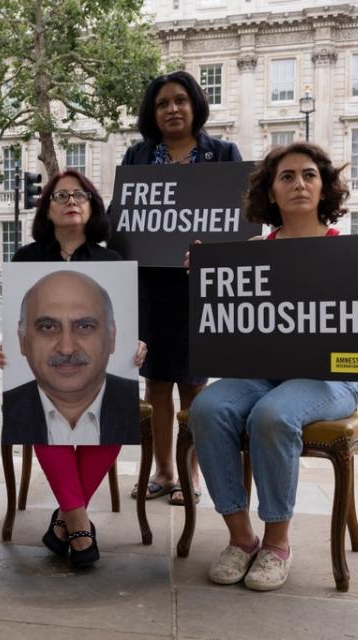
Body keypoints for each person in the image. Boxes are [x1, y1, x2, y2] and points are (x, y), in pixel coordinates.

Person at [187, 142, 358, 591]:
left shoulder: (352, 249)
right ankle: (241, 539)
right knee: (207, 408)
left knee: (273, 415)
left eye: (309, 175)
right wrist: (203, 273)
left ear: (324, 188)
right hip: (260, 371)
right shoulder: (252, 251)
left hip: (329, 376)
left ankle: (277, 542)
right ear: (271, 192)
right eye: (287, 176)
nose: (299, 183)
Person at [0, 169, 146, 569]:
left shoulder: (112, 260)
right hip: (43, 376)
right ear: (47, 209)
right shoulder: (26, 258)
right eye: (60, 196)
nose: (71, 201)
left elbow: (125, 322)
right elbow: (18, 322)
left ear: (93, 205)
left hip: (100, 372)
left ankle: (64, 520)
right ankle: (77, 520)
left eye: (80, 195)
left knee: (116, 411)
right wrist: (7, 346)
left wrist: (136, 344)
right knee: (42, 412)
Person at [122, 70, 242, 506]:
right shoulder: (137, 156)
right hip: (150, 285)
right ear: (152, 113)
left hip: (199, 285)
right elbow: (125, 219)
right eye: (162, 103)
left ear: (195, 106)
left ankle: (191, 475)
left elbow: (240, 220)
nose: (172, 109)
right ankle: (163, 471)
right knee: (154, 383)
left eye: (180, 101)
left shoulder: (224, 153)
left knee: (194, 385)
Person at [3, 270, 140, 446]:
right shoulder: (7, 410)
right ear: (23, 340)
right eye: (48, 327)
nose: (67, 349)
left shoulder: (138, 410)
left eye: (84, 326)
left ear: (111, 337)